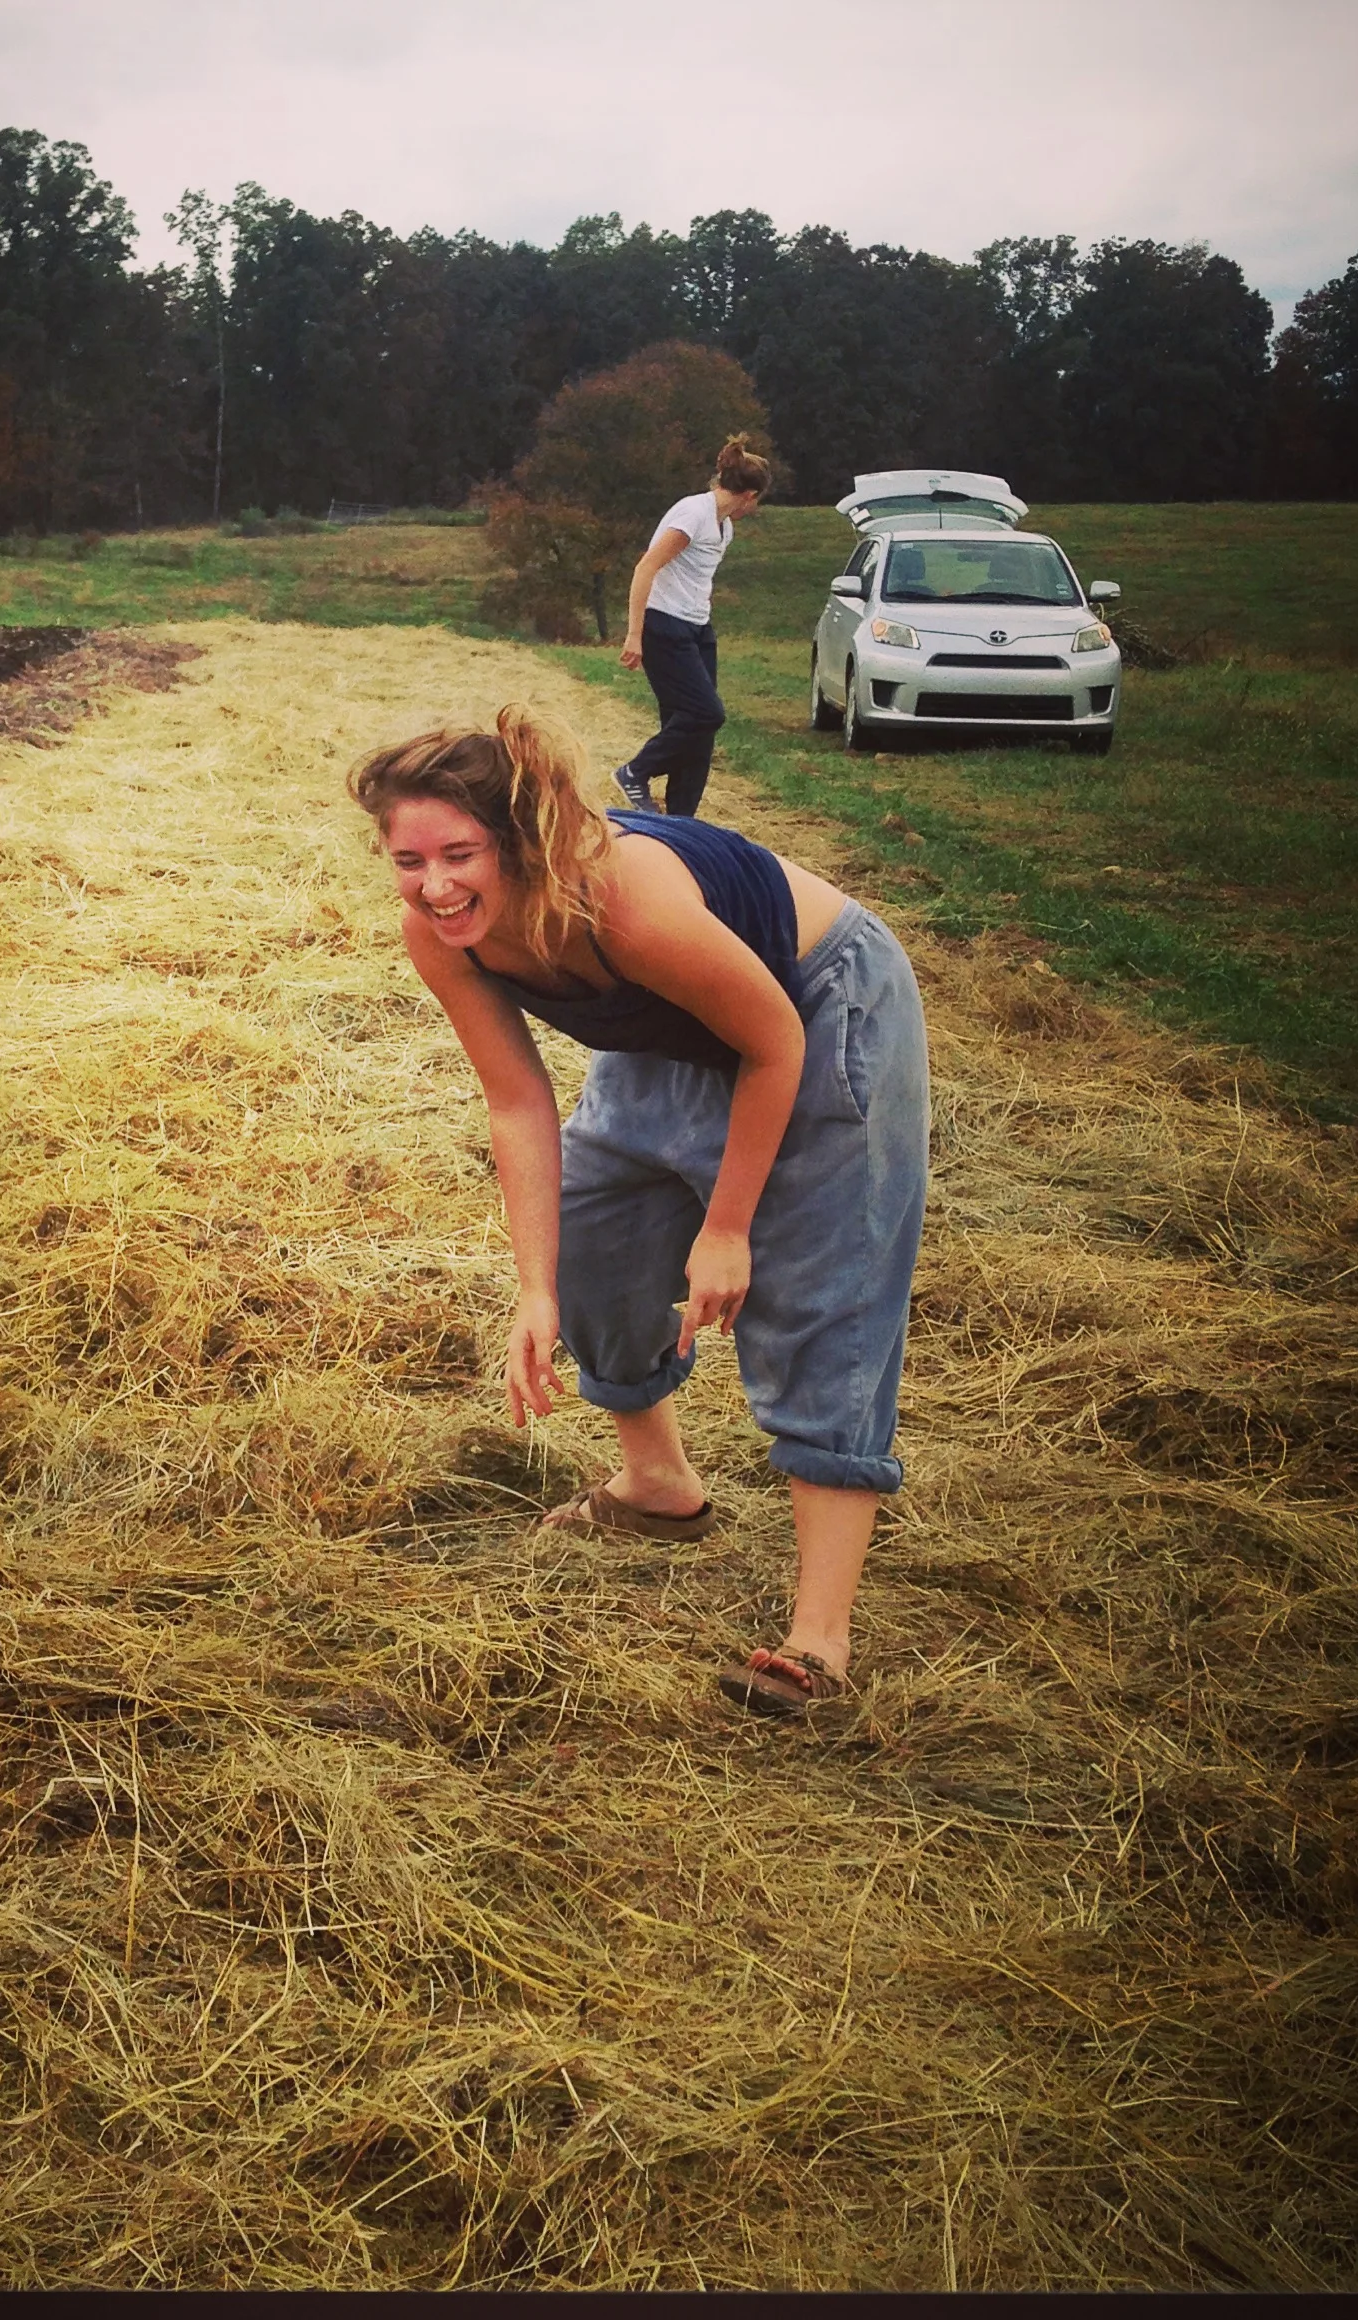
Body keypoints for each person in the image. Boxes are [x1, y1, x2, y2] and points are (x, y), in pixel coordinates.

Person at [348, 706, 929, 1716]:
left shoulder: (625, 907)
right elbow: (516, 1101)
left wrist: (728, 1226)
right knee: (593, 1244)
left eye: (458, 854)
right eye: (409, 859)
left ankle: (819, 1639)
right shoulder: (440, 934)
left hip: (819, 1004)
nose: (434, 885)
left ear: (518, 844)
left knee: (821, 1295)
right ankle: (659, 1488)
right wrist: (534, 1289)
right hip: (671, 1029)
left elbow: (774, 1042)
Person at [610, 435, 772, 819]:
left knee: (697, 735)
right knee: (707, 714)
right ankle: (636, 771)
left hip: (698, 631)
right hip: (664, 627)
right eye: (759, 500)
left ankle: (682, 824)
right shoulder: (693, 515)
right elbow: (646, 567)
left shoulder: (722, 527)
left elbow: (696, 577)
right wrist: (635, 634)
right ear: (749, 495)